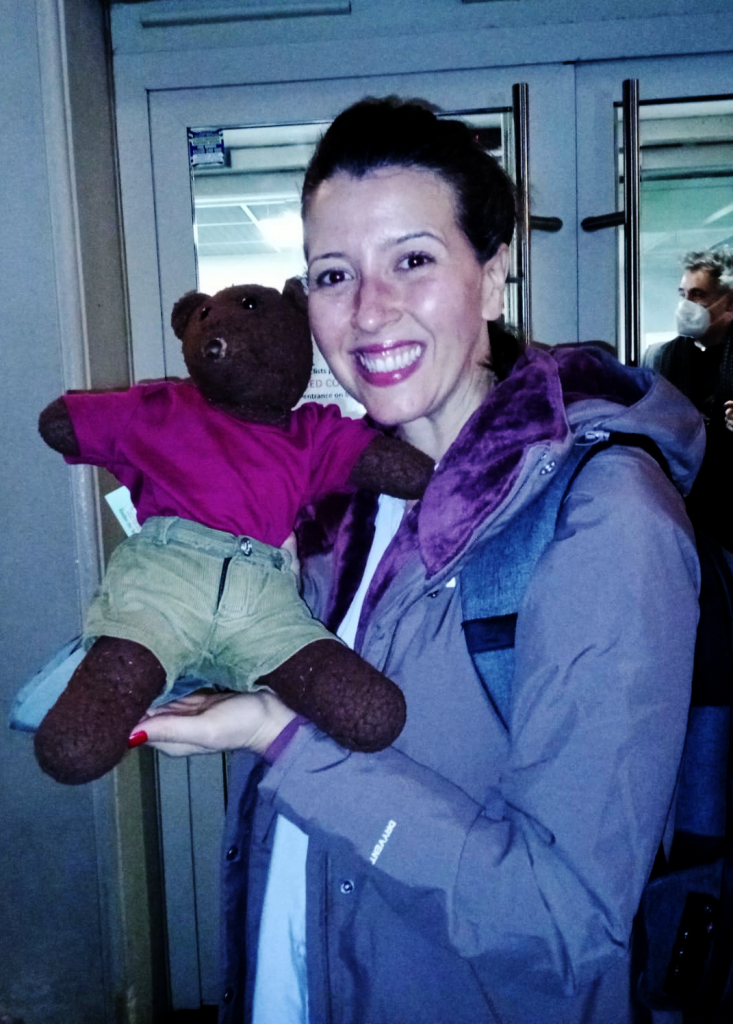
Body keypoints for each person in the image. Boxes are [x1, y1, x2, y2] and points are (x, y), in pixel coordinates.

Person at [133, 97, 704, 1023]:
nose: (367, 312)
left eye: (412, 260)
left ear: (495, 268)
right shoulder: (341, 498)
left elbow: (566, 924)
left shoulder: (601, 520)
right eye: (331, 274)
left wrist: (281, 741)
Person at [644, 248, 733, 554]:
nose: (686, 305)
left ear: (729, 302)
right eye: (683, 294)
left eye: (698, 295)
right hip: (681, 507)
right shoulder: (659, 358)